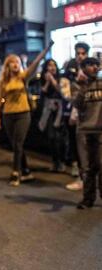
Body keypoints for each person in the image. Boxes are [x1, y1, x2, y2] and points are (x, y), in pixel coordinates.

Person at [0, 41, 53, 186]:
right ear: (7, 65)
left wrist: (47, 49)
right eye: (12, 62)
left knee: (19, 143)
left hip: (23, 114)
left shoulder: (23, 77)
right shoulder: (2, 81)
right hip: (8, 114)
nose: (15, 64)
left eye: (17, 62)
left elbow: (35, 64)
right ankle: (26, 171)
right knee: (15, 144)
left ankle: (16, 172)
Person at [72, 57, 102, 209]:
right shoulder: (80, 85)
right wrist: (83, 86)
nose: (95, 67)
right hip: (87, 130)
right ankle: (88, 198)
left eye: (97, 64)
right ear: (83, 68)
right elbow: (76, 104)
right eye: (90, 65)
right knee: (89, 166)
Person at [62, 42, 90, 191]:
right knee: (78, 147)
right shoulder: (70, 70)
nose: (80, 56)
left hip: (93, 115)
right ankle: (82, 178)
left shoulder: (93, 68)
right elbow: (66, 93)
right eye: (78, 53)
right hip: (76, 113)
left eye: (83, 53)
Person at [38, 59, 65, 172]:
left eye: (54, 65)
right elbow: (43, 91)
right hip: (48, 109)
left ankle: (61, 162)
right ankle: (54, 162)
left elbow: (60, 90)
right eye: (49, 65)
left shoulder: (61, 77)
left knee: (59, 137)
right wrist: (47, 81)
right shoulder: (43, 79)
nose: (52, 67)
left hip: (60, 110)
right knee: (51, 137)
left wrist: (52, 80)